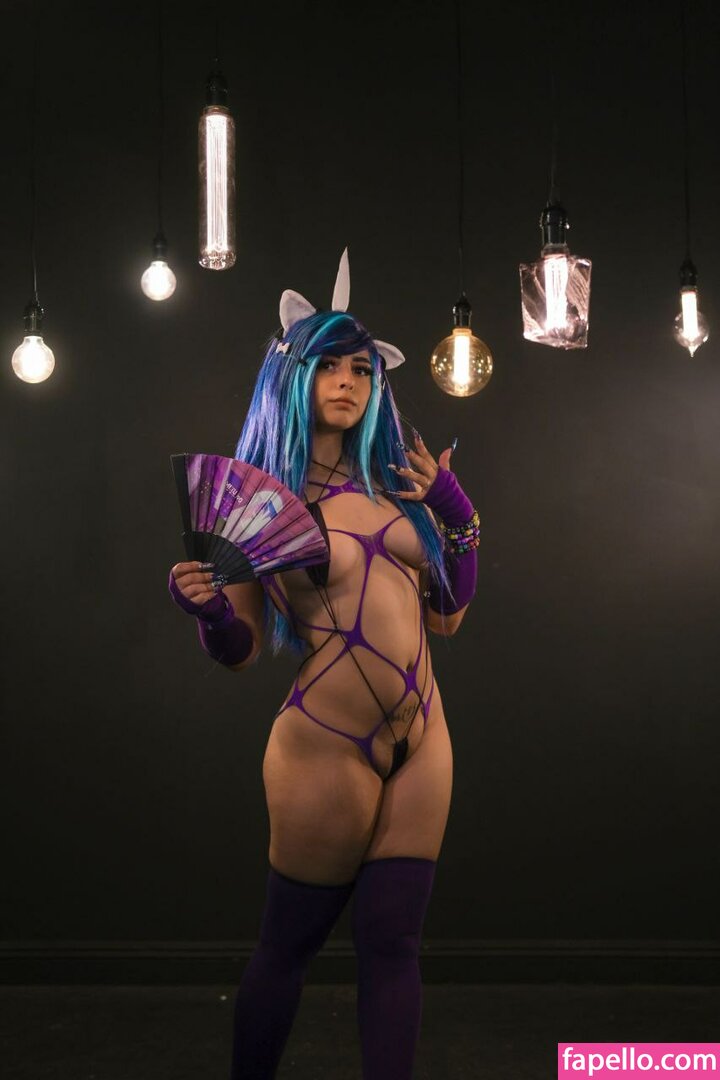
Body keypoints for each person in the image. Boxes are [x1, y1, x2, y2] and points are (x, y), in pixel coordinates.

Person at [168, 261, 480, 1079]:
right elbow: (239, 650)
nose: (348, 382)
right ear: (292, 376)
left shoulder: (400, 484)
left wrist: (457, 516)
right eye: (329, 366)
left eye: (362, 369)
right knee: (286, 948)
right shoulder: (259, 502)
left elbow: (449, 616)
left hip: (425, 739)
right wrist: (209, 614)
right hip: (325, 745)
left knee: (395, 947)